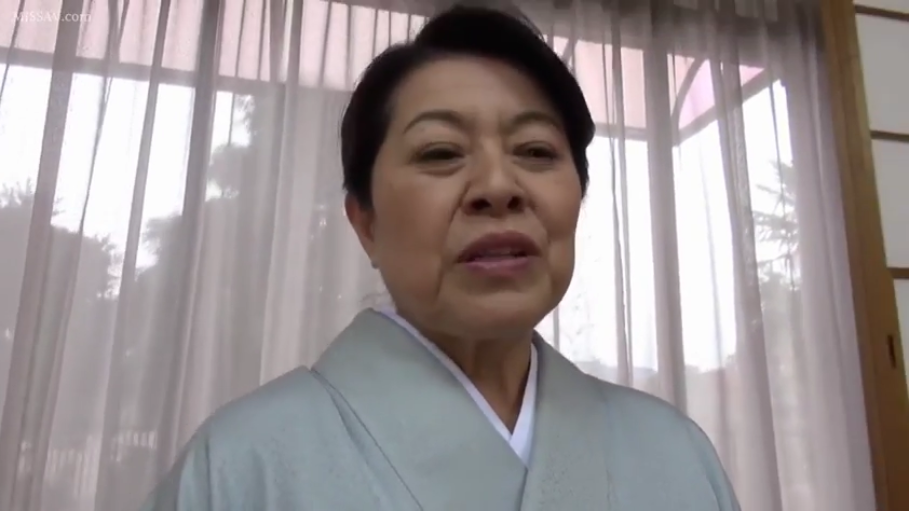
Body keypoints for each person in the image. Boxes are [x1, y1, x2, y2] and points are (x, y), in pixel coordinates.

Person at [142, 4, 740, 510]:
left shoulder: (676, 454)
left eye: (536, 150)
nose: (498, 187)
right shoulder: (239, 469)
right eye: (440, 153)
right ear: (365, 222)